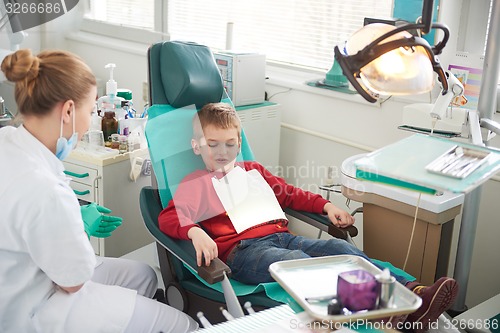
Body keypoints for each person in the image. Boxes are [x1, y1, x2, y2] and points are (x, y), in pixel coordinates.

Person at [159, 102, 458, 332]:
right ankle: (390, 310)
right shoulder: (195, 183)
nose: (222, 152)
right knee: (299, 266)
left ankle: (414, 294)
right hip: (245, 253)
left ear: (239, 142)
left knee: (342, 251)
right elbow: (171, 216)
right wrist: (195, 232)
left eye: (230, 143)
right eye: (213, 145)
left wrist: (326, 207)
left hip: (285, 237)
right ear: (197, 146)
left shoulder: (252, 171)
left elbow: (289, 195)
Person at [0, 49, 198, 333]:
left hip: (26, 269)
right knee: (185, 325)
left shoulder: (7, 139)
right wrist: (78, 229)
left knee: (143, 275)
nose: (89, 119)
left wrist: (71, 220)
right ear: (68, 110)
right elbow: (73, 281)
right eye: (90, 109)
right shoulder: (45, 190)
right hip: (35, 306)